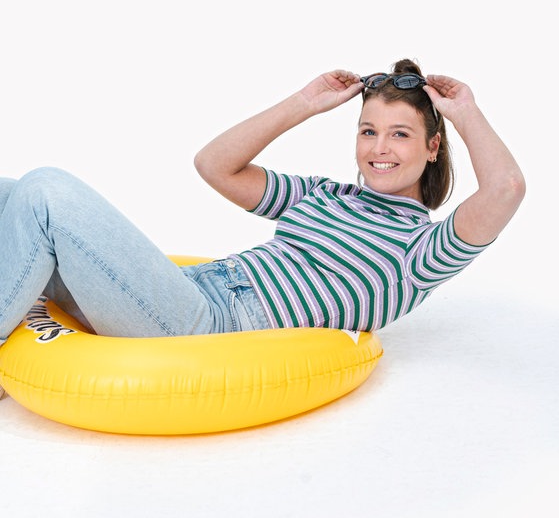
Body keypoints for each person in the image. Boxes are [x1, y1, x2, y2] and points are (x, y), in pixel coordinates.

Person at [0, 59, 525, 399]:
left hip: (207, 329)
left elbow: (505, 188)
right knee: (10, 190)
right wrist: (305, 103)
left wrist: (466, 112)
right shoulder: (325, 195)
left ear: (432, 148)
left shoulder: (422, 250)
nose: (379, 148)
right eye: (368, 130)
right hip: (187, 290)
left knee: (47, 191)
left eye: (400, 134)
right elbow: (214, 165)